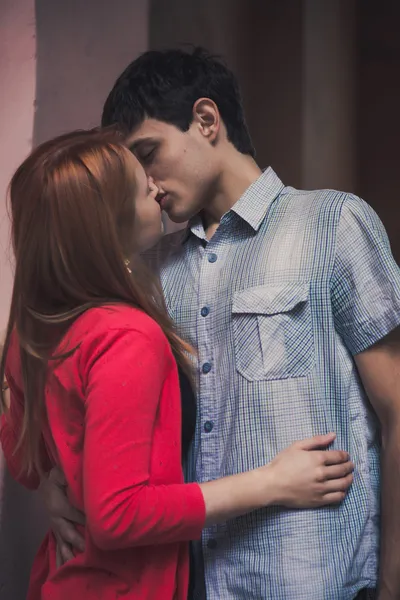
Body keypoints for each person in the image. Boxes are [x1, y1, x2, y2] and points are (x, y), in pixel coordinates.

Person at [39, 47, 400, 599]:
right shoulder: (148, 268)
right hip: (193, 583)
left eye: (149, 153)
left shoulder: (333, 223)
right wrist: (54, 483)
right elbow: (93, 406)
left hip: (314, 579)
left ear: (206, 121)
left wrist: (394, 580)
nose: (149, 184)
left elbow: (397, 410)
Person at [0, 129, 354, 600]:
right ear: (106, 221)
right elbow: (119, 515)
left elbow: (29, 465)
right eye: (138, 180)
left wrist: (56, 483)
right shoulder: (125, 337)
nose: (152, 184)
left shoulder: (33, 328)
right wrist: (271, 483)